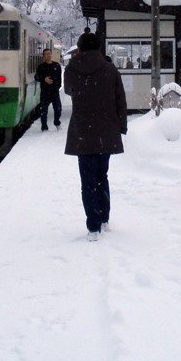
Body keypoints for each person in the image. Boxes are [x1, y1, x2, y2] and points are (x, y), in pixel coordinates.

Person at [64, 30, 128, 241]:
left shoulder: (72, 68)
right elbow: (120, 99)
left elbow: (69, 90)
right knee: (102, 176)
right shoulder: (110, 69)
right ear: (99, 49)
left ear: (79, 49)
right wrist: (122, 127)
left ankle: (93, 226)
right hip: (106, 131)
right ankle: (104, 218)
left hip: (83, 131)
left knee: (88, 179)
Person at [34, 48, 62, 131]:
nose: (48, 56)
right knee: (44, 110)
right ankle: (44, 126)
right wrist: (44, 79)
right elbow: (37, 77)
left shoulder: (56, 65)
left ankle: (57, 122)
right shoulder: (41, 67)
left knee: (58, 108)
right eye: (46, 54)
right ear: (43, 56)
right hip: (45, 91)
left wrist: (56, 85)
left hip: (54, 91)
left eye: (49, 54)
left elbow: (59, 78)